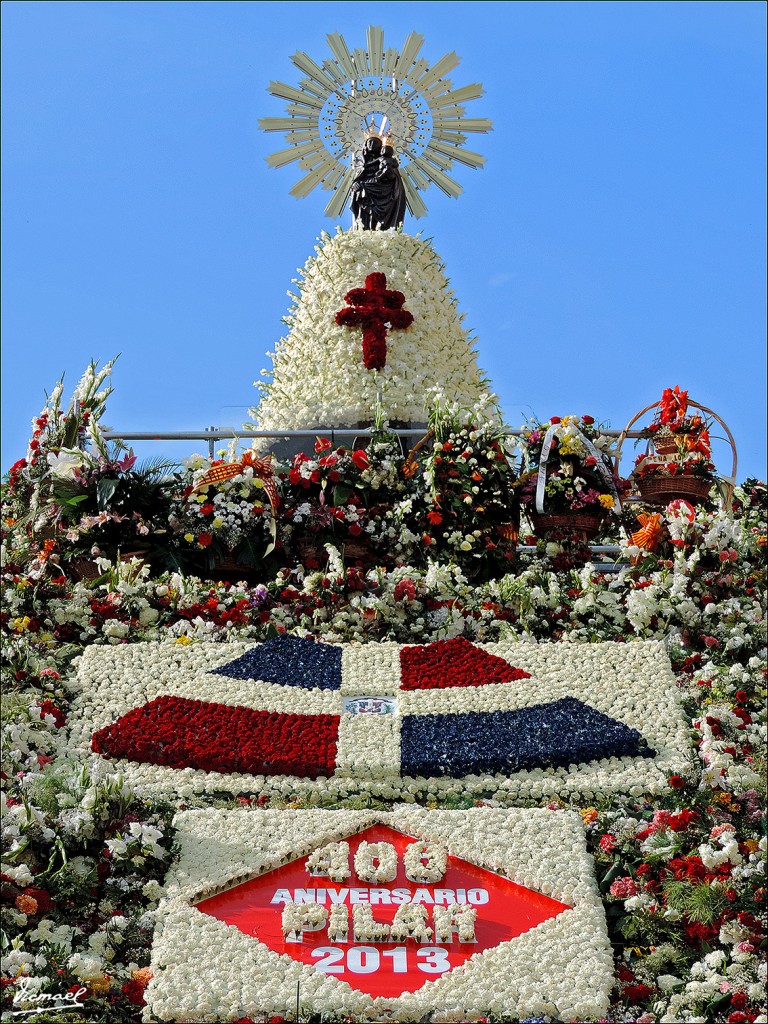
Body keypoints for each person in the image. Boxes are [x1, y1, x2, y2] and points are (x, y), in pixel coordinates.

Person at [350, 135, 406, 230]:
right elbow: (357, 178)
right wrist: (354, 185)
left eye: (375, 142)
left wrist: (388, 173)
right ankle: (363, 231)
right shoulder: (360, 164)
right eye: (369, 142)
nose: (372, 144)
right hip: (364, 191)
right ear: (365, 145)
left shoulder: (385, 160)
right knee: (363, 219)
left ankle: (384, 231)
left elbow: (394, 177)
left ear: (380, 146)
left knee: (383, 225)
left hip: (384, 192)